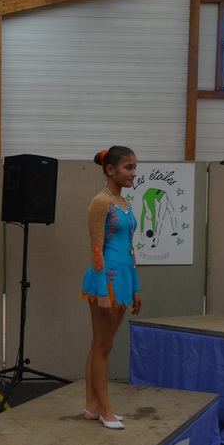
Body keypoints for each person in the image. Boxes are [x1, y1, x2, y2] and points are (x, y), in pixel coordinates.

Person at [80, 147, 142, 430]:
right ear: (110, 170)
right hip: (106, 280)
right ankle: (105, 410)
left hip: (124, 279)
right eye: (128, 167)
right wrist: (103, 291)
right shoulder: (101, 202)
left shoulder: (124, 202)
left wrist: (136, 287)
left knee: (100, 344)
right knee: (103, 346)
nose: (133, 173)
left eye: (134, 167)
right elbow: (96, 249)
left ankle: (91, 407)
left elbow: (130, 247)